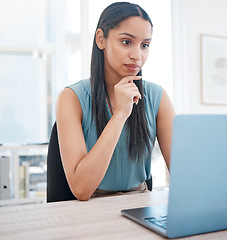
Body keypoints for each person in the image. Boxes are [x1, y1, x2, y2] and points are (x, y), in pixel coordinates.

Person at [56, 2, 175, 201]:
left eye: (145, 45)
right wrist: (120, 114)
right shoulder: (71, 98)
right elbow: (81, 189)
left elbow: (184, 173)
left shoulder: (157, 96)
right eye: (127, 42)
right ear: (101, 39)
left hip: (141, 204)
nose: (137, 56)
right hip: (91, 208)